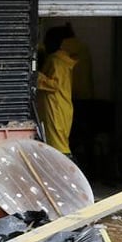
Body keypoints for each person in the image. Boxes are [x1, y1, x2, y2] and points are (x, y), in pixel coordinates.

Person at [37, 26, 78, 156]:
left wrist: (36, 76)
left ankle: (67, 167)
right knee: (58, 140)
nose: (45, 44)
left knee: (57, 144)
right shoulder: (62, 59)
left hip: (55, 108)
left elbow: (54, 84)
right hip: (60, 106)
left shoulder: (56, 61)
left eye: (47, 41)